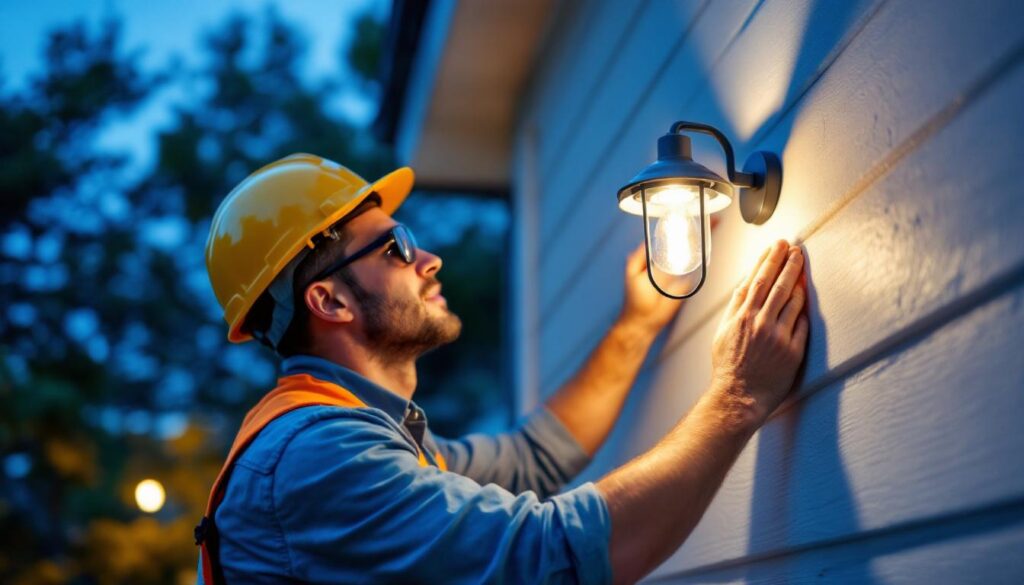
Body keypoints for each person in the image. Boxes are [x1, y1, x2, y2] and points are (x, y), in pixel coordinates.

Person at [197, 154, 808, 584]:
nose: (429, 260)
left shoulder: (364, 437)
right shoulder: (322, 457)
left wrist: (637, 324)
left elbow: (532, 459)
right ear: (330, 301)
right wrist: (736, 397)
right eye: (397, 247)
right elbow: (546, 558)